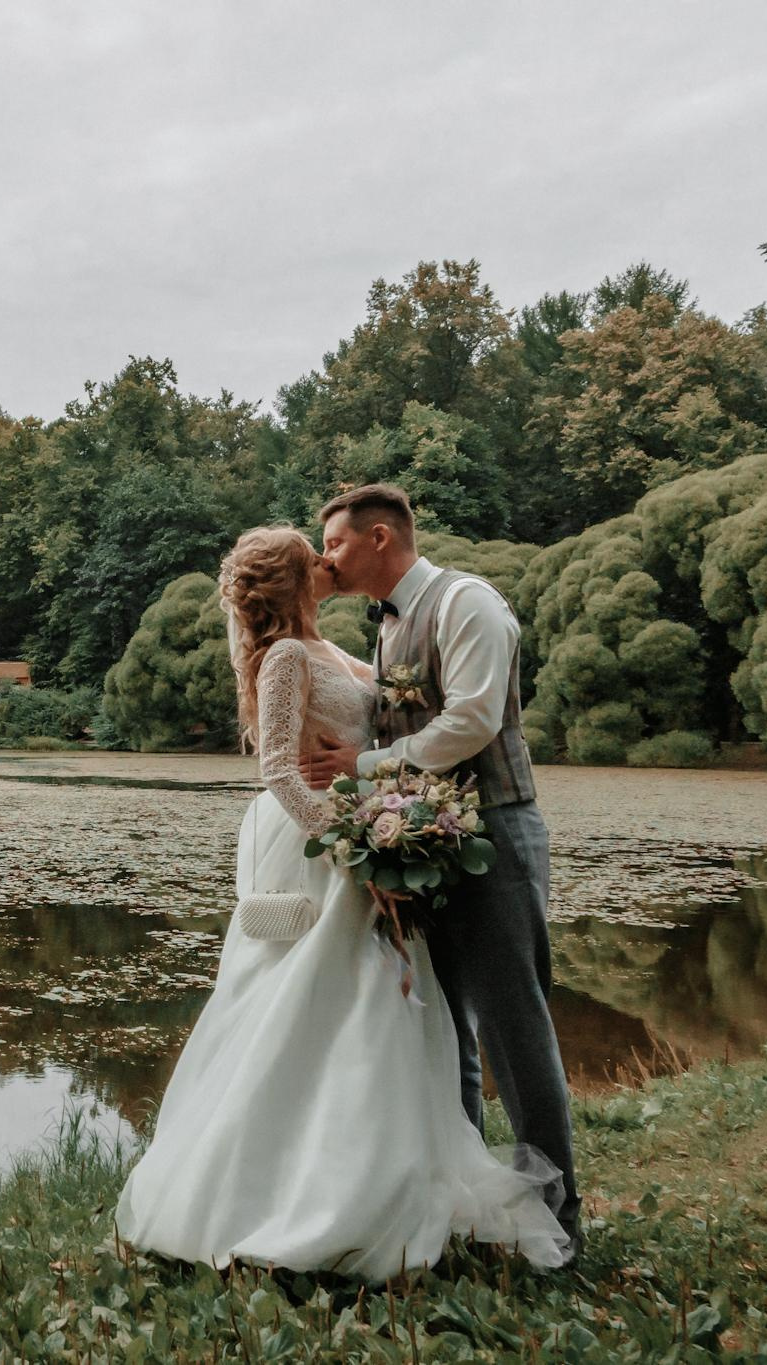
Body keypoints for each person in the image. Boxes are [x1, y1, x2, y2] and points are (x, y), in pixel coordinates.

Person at [114, 523, 571, 1280]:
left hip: (369, 838)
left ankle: (398, 1185)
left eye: (331, 549)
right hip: (328, 855)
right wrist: (364, 856)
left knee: (391, 1018)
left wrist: (390, 829)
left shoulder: (347, 650)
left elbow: (389, 725)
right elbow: (282, 776)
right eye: (314, 556)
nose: (328, 564)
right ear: (295, 580)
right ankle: (300, 1199)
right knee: (327, 1016)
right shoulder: (286, 657)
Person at [306, 482, 581, 1257]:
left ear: (382, 537)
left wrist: (368, 765)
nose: (327, 557)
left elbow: (471, 718)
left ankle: (559, 1215)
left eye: (335, 543)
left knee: (513, 1026)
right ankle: (474, 1207)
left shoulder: (469, 604)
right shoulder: (387, 630)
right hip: (422, 844)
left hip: (493, 831)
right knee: (443, 1025)